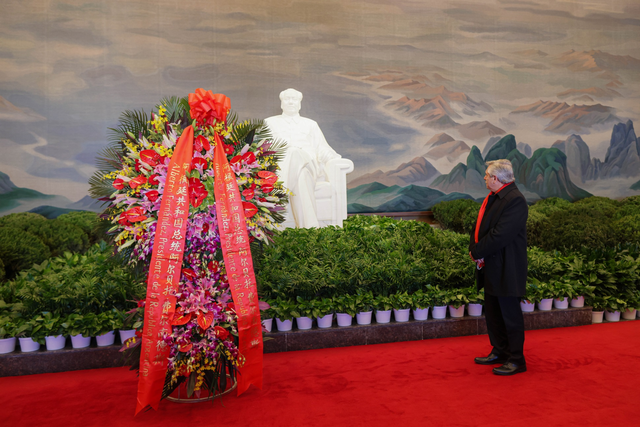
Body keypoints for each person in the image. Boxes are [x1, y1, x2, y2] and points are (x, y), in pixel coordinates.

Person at [469, 159, 528, 376]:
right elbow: (481, 227)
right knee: (493, 312)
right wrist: (475, 248)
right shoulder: (495, 197)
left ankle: (516, 359)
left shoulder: (515, 200)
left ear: (496, 178)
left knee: (509, 314)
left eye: (486, 175)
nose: (484, 178)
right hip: (492, 264)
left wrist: (477, 252)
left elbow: (500, 235)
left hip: (508, 266)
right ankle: (500, 351)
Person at [265, 88, 341, 228]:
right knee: (301, 176)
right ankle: (310, 228)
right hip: (281, 166)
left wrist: (331, 156)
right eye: (287, 99)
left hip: (309, 163)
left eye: (294, 99)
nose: (291, 102)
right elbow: (260, 148)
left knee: (296, 153)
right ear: (281, 103)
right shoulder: (270, 123)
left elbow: (322, 147)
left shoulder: (310, 124)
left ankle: (280, 193)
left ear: (300, 103)